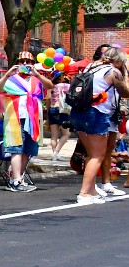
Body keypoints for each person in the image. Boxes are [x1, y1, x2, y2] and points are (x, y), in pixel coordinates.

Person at [73, 47, 129, 204]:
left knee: (91, 154)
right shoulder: (113, 72)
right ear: (118, 61)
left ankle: (91, 191)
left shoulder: (90, 66)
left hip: (78, 112)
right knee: (98, 155)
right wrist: (124, 72)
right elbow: (125, 92)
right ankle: (84, 194)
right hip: (96, 113)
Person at [0, 52, 51, 192]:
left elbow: (49, 86)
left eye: (28, 61)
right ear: (18, 63)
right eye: (22, 61)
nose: (25, 64)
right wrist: (7, 74)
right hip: (16, 118)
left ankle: (17, 179)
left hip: (33, 119)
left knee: (27, 150)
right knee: (16, 148)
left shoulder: (36, 80)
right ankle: (16, 181)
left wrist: (37, 74)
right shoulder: (12, 79)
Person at [47, 70, 72, 160]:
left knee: (54, 135)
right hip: (62, 110)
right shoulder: (65, 85)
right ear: (59, 77)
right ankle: (56, 152)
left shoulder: (50, 87)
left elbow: (48, 100)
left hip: (52, 110)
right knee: (66, 134)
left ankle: (54, 153)